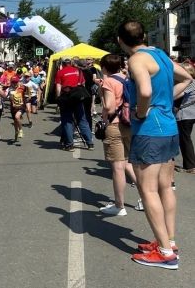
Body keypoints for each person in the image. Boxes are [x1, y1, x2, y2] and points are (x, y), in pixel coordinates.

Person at [118, 20, 192, 269]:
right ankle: (168, 242)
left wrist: (140, 112)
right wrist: (166, 100)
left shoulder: (136, 60)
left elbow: (146, 92)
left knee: (147, 190)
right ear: (143, 36)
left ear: (121, 40)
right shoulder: (159, 54)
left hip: (150, 131)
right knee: (166, 188)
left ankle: (165, 253)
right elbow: (187, 78)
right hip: (168, 127)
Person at [98, 54, 139, 216]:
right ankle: (145, 197)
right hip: (129, 123)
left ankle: (119, 205)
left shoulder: (109, 81)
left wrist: (104, 115)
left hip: (115, 125)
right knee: (129, 163)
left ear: (105, 67)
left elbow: (109, 106)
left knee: (117, 168)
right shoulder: (128, 78)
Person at [55, 57, 94, 152]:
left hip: (66, 98)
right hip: (78, 97)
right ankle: (90, 143)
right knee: (82, 119)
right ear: (70, 63)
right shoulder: (78, 71)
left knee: (67, 121)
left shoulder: (60, 72)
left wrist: (58, 100)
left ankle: (69, 145)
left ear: (63, 63)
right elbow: (83, 84)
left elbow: (58, 87)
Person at [175, 62, 195, 173]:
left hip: (185, 115)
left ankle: (191, 166)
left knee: (185, 139)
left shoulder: (189, 83)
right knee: (185, 138)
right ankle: (190, 165)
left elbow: (177, 95)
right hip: (191, 114)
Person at [8, 76, 25, 142]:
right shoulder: (10, 89)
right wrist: (12, 102)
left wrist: (28, 96)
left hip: (21, 106)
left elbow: (29, 89)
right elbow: (10, 97)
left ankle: (21, 130)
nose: (14, 84)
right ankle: (16, 134)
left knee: (17, 117)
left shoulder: (22, 87)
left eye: (16, 82)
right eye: (13, 82)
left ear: (18, 82)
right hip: (13, 108)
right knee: (15, 123)